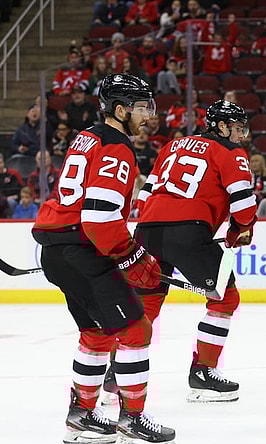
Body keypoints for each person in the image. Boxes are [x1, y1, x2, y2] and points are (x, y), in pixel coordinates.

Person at [31, 73, 175, 443]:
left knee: (96, 333)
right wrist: (130, 255)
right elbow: (99, 217)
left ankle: (81, 416)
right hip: (83, 249)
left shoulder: (88, 136)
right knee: (135, 329)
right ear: (121, 109)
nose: (149, 115)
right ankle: (132, 419)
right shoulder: (117, 147)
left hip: (60, 249)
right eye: (142, 107)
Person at [130, 100, 257, 403]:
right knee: (225, 297)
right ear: (221, 126)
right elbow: (244, 205)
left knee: (145, 304)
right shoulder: (230, 152)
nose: (241, 135)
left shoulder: (173, 146)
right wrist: (237, 230)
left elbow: (144, 196)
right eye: (237, 128)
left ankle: (116, 375)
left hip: (147, 230)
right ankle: (203, 373)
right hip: (188, 230)